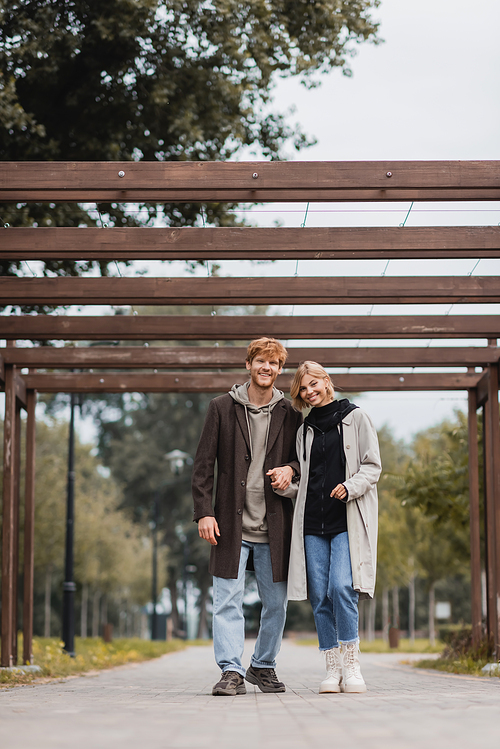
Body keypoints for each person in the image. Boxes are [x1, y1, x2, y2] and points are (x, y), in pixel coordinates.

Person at [192, 337, 303, 696]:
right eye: (260, 361)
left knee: (276, 605)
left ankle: (263, 665)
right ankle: (231, 671)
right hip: (229, 523)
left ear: (280, 369)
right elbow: (203, 466)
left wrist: (290, 468)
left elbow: (304, 461)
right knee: (227, 601)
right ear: (249, 364)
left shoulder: (292, 414)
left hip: (275, 527)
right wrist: (203, 514)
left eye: (273, 363)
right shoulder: (221, 408)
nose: (266, 368)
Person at [282, 361, 381, 694]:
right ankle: (332, 668)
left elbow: (373, 467)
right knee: (320, 595)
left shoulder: (356, 417)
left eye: (313, 384)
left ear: (326, 381)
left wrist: (350, 486)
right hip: (311, 522)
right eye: (303, 389)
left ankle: (352, 665)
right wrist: (287, 488)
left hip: (345, 521)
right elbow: (308, 480)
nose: (309, 392)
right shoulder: (304, 431)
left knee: (341, 587)